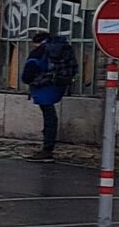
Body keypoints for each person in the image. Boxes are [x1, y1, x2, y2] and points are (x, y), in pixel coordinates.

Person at [20, 29, 77, 159]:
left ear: (37, 42)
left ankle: (47, 149)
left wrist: (27, 80)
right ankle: (47, 147)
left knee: (49, 117)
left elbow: (28, 73)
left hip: (43, 86)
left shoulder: (39, 52)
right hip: (58, 85)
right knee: (50, 116)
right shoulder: (62, 49)